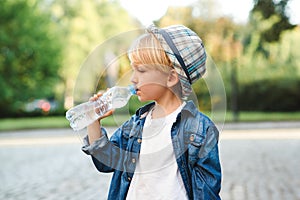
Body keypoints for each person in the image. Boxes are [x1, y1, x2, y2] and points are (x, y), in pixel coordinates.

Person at [82, 24, 222, 200]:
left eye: (141, 70)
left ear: (171, 77)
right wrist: (93, 121)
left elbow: (206, 191)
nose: (133, 78)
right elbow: (105, 162)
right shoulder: (136, 124)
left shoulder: (200, 129)